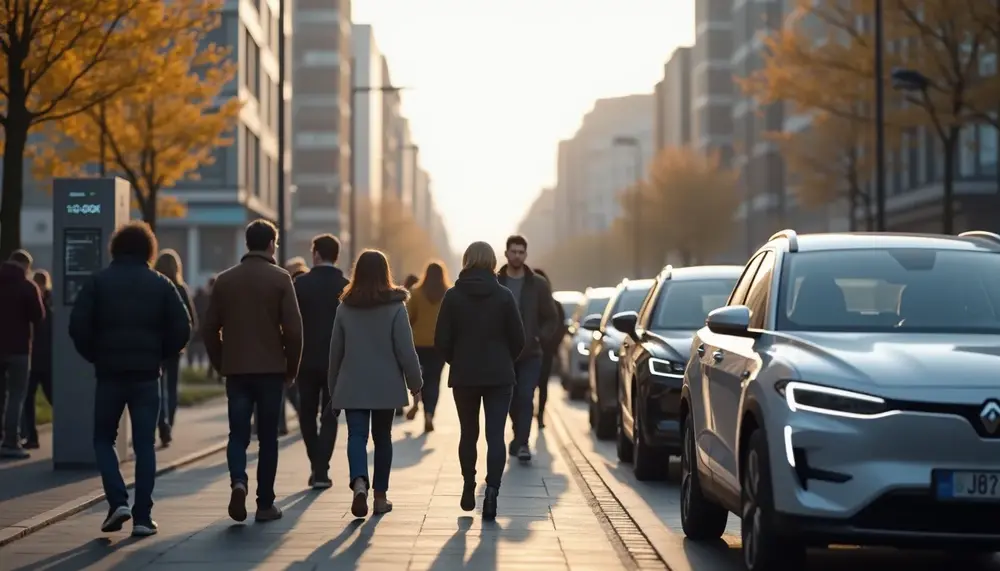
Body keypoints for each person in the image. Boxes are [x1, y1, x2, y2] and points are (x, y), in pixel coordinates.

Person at [69, 222, 191, 536]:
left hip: (110, 374)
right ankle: (142, 517)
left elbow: (77, 326)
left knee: (103, 439)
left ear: (115, 248)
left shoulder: (98, 282)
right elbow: (183, 327)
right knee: (144, 444)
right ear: (148, 249)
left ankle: (117, 501)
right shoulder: (161, 284)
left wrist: (97, 355)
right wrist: (159, 354)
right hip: (147, 376)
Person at [202, 219, 303, 524]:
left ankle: (238, 481)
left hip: (237, 370)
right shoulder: (281, 278)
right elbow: (294, 331)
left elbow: (209, 328)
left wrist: (221, 362)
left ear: (247, 243)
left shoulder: (225, 280)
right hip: (271, 370)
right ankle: (265, 504)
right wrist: (291, 368)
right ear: (272, 244)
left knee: (238, 434)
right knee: (268, 438)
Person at [328, 249, 422, 518]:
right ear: (385, 272)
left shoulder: (345, 308)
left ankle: (359, 481)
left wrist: (334, 389)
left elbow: (335, 353)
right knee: (383, 438)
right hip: (386, 384)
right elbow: (406, 350)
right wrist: (415, 382)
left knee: (356, 435)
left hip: (352, 383)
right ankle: (380, 497)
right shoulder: (396, 307)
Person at [434, 242, 524, 520]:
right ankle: (492, 491)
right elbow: (518, 339)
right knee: (495, 435)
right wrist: (505, 359)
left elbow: (441, 340)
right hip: (499, 376)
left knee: (468, 433)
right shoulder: (504, 296)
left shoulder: (453, 296)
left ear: (466, 260)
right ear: (492, 262)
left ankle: (468, 483)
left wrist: (457, 360)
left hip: (465, 376)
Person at [293, 234, 349, 489]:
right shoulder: (346, 286)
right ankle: (321, 469)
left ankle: (316, 463)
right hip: (335, 362)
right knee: (330, 415)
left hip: (304, 359)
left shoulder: (300, 284)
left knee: (306, 413)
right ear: (336, 256)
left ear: (315, 254)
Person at [497, 235, 558, 462]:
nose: (517, 256)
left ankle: (523, 443)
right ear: (506, 253)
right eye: (513, 251)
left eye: (521, 252)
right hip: (504, 354)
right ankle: (518, 435)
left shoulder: (537, 284)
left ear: (526, 254)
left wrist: (540, 336)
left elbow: (551, 317)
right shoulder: (496, 282)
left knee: (525, 395)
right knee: (510, 399)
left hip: (531, 353)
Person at [0, 249, 45, 459]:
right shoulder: (27, 286)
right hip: (18, 349)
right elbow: (38, 316)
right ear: (26, 266)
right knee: (16, 395)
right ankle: (10, 441)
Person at [153, 249, 196, 448]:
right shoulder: (180, 289)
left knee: (157, 388)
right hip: (175, 347)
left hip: (156, 346)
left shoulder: (154, 287)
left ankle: (162, 423)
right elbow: (191, 320)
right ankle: (169, 424)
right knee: (172, 388)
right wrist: (183, 341)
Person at [404, 261, 450, 431]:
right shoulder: (447, 294)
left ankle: (417, 402)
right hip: (439, 345)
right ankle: (429, 413)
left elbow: (407, 318)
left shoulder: (415, 293)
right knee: (434, 380)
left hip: (418, 344)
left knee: (418, 377)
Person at [22, 270, 54, 449]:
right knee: (31, 398)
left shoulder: (40, 303)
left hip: (38, 357)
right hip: (43, 358)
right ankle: (32, 437)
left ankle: (32, 437)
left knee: (33, 398)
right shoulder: (51, 304)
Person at [531, 268, 564, 429]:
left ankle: (541, 414)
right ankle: (530, 412)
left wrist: (551, 344)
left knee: (542, 384)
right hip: (530, 351)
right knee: (529, 385)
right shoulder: (528, 305)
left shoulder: (554, 305)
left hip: (546, 351)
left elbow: (560, 327)